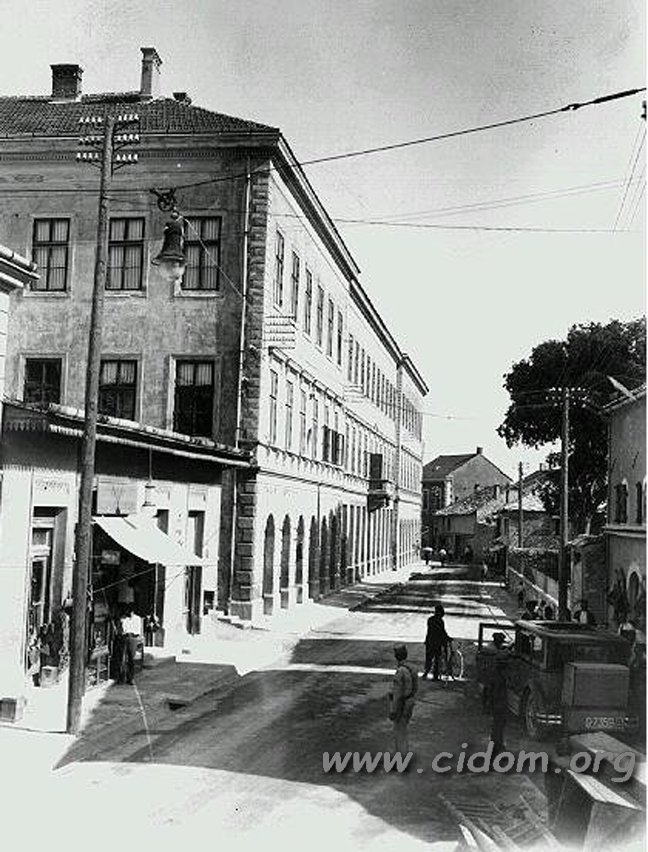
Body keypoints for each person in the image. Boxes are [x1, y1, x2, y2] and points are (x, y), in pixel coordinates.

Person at [388, 644, 418, 755]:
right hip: (410, 701)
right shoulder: (412, 669)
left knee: (399, 732)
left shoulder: (400, 672)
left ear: (396, 657)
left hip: (402, 703)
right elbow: (415, 687)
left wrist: (393, 710)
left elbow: (397, 694)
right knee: (403, 729)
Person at [423, 604, 451, 681]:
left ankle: (426, 672)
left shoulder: (430, 619)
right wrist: (447, 639)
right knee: (437, 659)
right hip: (437, 643)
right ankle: (435, 675)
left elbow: (429, 631)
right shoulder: (440, 621)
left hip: (429, 641)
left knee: (429, 658)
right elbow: (442, 632)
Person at [489, 658, 509, 756]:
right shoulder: (500, 679)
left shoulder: (495, 676)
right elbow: (497, 693)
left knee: (498, 725)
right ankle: (497, 744)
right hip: (499, 704)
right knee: (499, 725)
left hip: (497, 704)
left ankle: (498, 743)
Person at [119, 608, 141, 685]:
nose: (129, 613)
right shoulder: (124, 619)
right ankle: (122, 677)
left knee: (131, 658)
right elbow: (123, 630)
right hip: (125, 637)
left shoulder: (137, 619)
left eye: (130, 611)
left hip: (133, 638)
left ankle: (130, 678)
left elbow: (137, 630)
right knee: (123, 658)